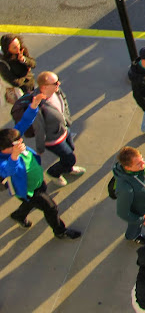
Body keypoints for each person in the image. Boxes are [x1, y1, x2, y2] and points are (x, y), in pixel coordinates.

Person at [0, 104, 81, 240]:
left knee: (31, 203)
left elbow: (25, 121)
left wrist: (33, 106)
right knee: (51, 208)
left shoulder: (14, 142)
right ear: (6, 148)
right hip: (29, 190)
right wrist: (14, 156)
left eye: (20, 139)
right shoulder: (4, 160)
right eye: (17, 142)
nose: (21, 142)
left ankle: (19, 215)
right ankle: (60, 231)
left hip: (37, 182)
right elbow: (8, 170)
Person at [28, 71, 85, 187]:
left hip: (64, 130)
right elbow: (39, 128)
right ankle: (53, 173)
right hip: (53, 139)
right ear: (44, 87)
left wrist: (67, 120)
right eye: (55, 83)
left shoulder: (56, 91)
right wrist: (40, 148)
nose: (58, 83)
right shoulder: (38, 105)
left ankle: (68, 168)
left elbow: (64, 102)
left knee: (71, 149)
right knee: (70, 158)